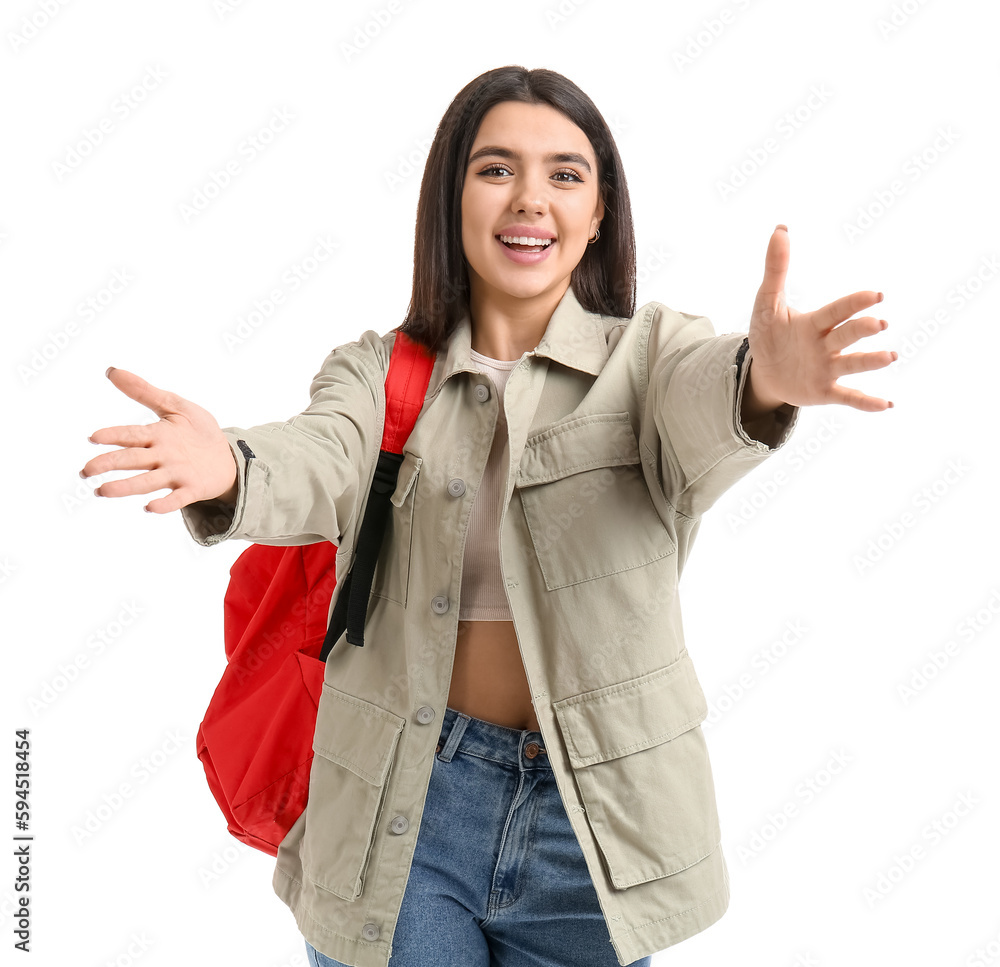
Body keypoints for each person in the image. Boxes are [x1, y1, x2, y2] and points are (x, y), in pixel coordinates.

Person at [81, 66, 895, 967]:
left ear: (598, 212)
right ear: (451, 197)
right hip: (403, 801)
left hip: (593, 821)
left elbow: (712, 397)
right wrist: (231, 465)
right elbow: (321, 452)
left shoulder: (655, 356)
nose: (531, 200)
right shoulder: (377, 370)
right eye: (497, 169)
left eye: (565, 174)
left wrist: (765, 381)